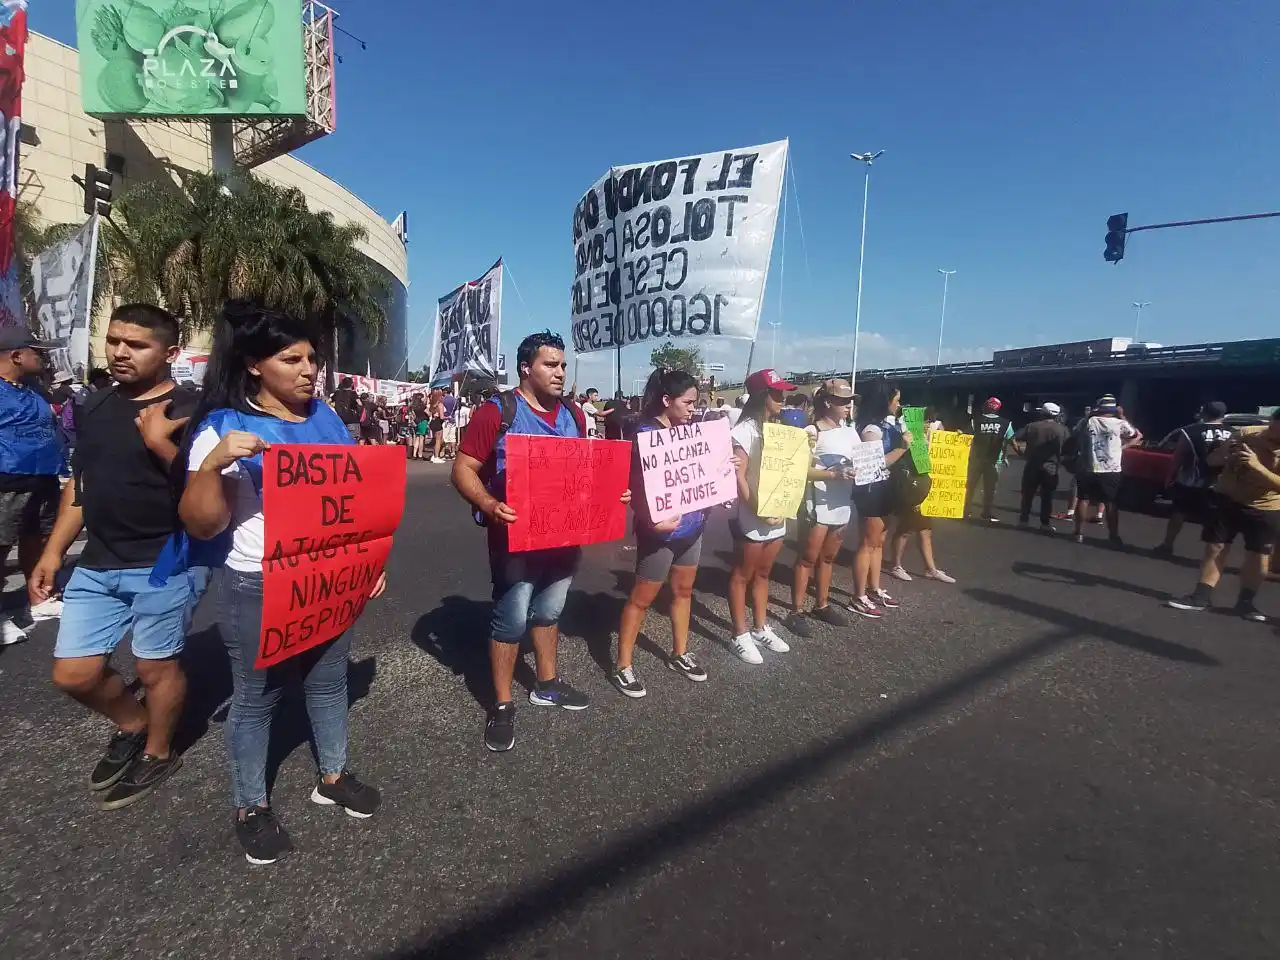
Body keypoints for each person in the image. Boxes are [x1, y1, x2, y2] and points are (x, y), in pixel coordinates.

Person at [179, 300, 385, 865]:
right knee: (257, 697)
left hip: (331, 577)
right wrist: (212, 466)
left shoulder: (326, 418)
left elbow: (352, 500)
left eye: (312, 358)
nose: (307, 369)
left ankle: (333, 775)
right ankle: (251, 805)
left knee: (328, 681)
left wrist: (367, 562)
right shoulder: (223, 427)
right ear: (252, 364)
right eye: (291, 358)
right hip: (258, 584)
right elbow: (200, 522)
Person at [32, 304, 203, 809]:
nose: (120, 352)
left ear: (170, 353)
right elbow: (80, 488)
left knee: (155, 668)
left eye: (137, 344)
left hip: (168, 560)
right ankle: (133, 723)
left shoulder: (192, 408)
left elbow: (209, 493)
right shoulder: (96, 405)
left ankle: (157, 750)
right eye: (114, 340)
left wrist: (159, 442)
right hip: (99, 562)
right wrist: (53, 551)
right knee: (73, 673)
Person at [452, 331, 628, 752]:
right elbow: (462, 469)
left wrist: (611, 492)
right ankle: (502, 704)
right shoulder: (498, 412)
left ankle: (546, 684)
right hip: (515, 538)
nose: (560, 373)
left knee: (549, 611)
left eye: (563, 365)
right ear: (526, 368)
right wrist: (491, 505)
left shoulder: (575, 414)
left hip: (564, 537)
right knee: (511, 618)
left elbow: (586, 471)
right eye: (551, 365)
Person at [611, 369, 718, 697]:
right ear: (666, 400)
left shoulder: (692, 432)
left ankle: (679, 652)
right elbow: (625, 487)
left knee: (684, 591)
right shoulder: (643, 435)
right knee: (642, 599)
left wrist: (723, 466)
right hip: (659, 533)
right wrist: (647, 517)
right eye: (687, 403)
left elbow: (704, 471)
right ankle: (623, 666)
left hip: (693, 527)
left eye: (695, 404)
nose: (692, 410)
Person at [1167, 410, 1280, 622]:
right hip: (1226, 498)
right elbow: (1212, 461)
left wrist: (1255, 465)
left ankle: (1246, 603)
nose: (1275, 431)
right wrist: (1226, 451)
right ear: (1272, 421)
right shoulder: (1248, 433)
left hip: (1264, 506)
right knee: (1215, 546)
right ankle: (1201, 596)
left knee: (1258, 557)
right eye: (1275, 424)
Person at [0, 328, 66, 645]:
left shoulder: (34, 389)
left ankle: (39, 599)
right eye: (37, 352)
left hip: (43, 478)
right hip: (7, 481)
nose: (44, 357)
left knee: (37, 541)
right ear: (16, 356)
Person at [727, 369, 796, 664]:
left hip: (778, 514)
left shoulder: (780, 429)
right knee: (743, 574)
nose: (782, 398)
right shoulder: (744, 430)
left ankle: (760, 626)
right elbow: (738, 476)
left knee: (764, 573)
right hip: (753, 516)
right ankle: (739, 634)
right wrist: (758, 509)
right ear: (761, 396)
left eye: (783, 393)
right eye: (776, 393)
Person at [783, 379, 855, 637]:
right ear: (828, 402)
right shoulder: (812, 432)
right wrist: (833, 474)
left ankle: (822, 605)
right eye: (843, 401)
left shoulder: (850, 430)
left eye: (850, 401)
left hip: (841, 503)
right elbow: (800, 470)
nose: (848, 406)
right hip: (818, 504)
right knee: (807, 557)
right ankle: (796, 610)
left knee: (828, 557)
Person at [848, 380, 910, 619]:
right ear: (885, 401)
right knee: (868, 542)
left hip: (885, 488)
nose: (899, 404)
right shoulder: (871, 429)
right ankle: (858, 596)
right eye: (896, 400)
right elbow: (873, 465)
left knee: (878, 542)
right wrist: (902, 448)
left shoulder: (886, 424)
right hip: (871, 489)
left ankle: (873, 588)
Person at [1154, 402, 1233, 557]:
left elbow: (1179, 457)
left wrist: (1170, 476)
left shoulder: (1190, 431)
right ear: (1222, 415)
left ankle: (1167, 545)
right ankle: (1212, 556)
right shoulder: (1233, 433)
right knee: (1216, 520)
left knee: (1179, 513)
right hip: (1219, 484)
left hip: (1190, 481)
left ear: (1205, 413)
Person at [887, 406, 955, 584]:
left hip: (924, 491)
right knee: (905, 529)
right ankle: (896, 565)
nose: (928, 425)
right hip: (911, 491)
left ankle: (930, 568)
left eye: (930, 421)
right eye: (925, 421)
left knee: (925, 530)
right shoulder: (906, 438)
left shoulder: (924, 439)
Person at [1073, 394, 1142, 546]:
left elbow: (1075, 432)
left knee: (1083, 499)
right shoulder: (1119, 423)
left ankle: (1079, 533)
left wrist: (1090, 414)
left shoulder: (1088, 422)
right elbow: (1136, 435)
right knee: (1111, 502)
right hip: (1111, 469)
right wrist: (1122, 416)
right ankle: (1113, 535)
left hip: (1088, 467)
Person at [1009, 401, 1071, 533]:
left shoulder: (1032, 426)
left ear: (1042, 413)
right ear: (1056, 415)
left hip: (1032, 464)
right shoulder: (1063, 430)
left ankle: (1023, 520)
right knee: (1047, 496)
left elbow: (1012, 438)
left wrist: (1020, 452)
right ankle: (1045, 523)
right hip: (1051, 466)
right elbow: (1070, 449)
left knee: (1028, 494)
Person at [966, 397, 1012, 523]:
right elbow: (1010, 441)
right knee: (990, 488)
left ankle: (966, 510)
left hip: (976, 459)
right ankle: (986, 512)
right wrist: (1009, 455)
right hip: (994, 461)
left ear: (986, 406)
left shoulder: (975, 421)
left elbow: (965, 438)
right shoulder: (1006, 423)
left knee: (970, 485)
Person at [330, 377, 362, 443]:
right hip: (353, 421)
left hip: (340, 420)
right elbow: (360, 404)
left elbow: (327, 402)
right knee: (353, 442)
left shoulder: (337, 393)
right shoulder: (353, 394)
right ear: (352, 384)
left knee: (342, 441)